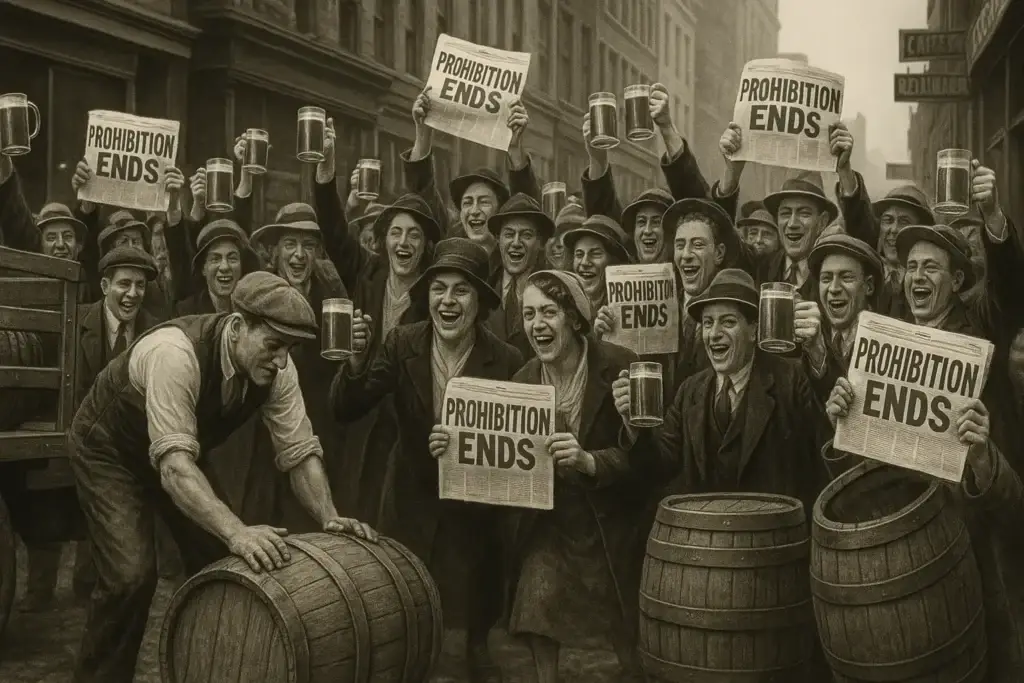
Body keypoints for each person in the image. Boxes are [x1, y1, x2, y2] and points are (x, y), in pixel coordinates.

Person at [69, 271, 375, 683]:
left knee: (224, 563)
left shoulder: (278, 370)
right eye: (273, 345)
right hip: (109, 450)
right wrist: (236, 530)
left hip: (178, 453)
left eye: (289, 348)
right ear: (236, 327)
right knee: (131, 576)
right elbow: (175, 469)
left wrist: (329, 516)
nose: (282, 360)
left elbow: (299, 453)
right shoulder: (174, 353)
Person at [333, 238, 523, 683]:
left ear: (481, 302)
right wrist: (356, 364)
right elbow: (346, 409)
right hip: (410, 503)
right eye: (439, 289)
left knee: (469, 635)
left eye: (462, 290)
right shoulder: (402, 343)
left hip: (474, 518)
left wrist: (474, 449)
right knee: (406, 624)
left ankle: (476, 648)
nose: (448, 301)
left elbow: (518, 455)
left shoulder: (507, 359)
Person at [824, 378, 1024, 681]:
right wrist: (844, 430)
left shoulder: (987, 374)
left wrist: (983, 459)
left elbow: (1014, 506)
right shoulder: (882, 356)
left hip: (972, 588)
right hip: (897, 586)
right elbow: (863, 491)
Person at [506, 269, 646, 683]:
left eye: (548, 312)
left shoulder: (622, 366)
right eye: (529, 314)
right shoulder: (522, 381)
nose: (537, 325)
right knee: (537, 591)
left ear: (574, 318)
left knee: (628, 641)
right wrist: (456, 452)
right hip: (549, 521)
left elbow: (650, 459)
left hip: (609, 520)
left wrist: (590, 462)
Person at [486, 193, 554, 358]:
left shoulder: (555, 291)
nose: (516, 243)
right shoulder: (483, 289)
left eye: (526, 235)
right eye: (509, 234)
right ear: (498, 239)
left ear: (540, 243)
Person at [870, 184, 933, 320]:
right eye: (888, 220)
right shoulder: (868, 277)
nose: (893, 229)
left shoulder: (931, 283)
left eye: (904, 221)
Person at [174, 218, 261, 315]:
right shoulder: (185, 312)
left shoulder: (254, 312)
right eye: (215, 259)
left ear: (241, 266)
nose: (225, 267)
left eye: (232, 258)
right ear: (203, 268)